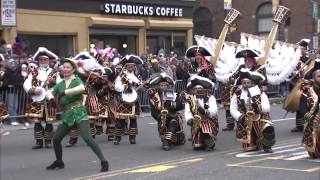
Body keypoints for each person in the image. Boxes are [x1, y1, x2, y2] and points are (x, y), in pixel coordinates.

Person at [45, 58, 109, 172]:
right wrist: (51, 99)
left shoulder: (77, 80)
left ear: (73, 69)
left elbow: (81, 88)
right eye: (64, 67)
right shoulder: (60, 84)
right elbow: (49, 91)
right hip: (67, 114)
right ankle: (59, 162)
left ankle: (104, 161)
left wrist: (64, 93)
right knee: (56, 139)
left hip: (79, 112)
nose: (65, 69)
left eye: (68, 67)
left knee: (87, 138)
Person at [24, 47, 61, 149]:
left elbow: (60, 84)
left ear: (48, 60)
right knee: (37, 121)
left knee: (49, 121)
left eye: (45, 59)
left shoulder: (55, 72)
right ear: (38, 61)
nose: (43, 61)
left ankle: (48, 141)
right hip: (37, 99)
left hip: (50, 100)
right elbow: (26, 83)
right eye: (41, 60)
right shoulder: (34, 72)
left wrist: (54, 82)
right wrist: (32, 90)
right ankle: (39, 142)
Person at [230, 68, 274, 153]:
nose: (246, 85)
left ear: (252, 83)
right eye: (244, 83)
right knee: (249, 149)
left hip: (259, 116)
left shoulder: (260, 93)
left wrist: (258, 107)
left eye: (248, 83)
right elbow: (233, 108)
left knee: (266, 126)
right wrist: (240, 117)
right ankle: (253, 143)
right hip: (245, 119)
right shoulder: (237, 94)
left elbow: (267, 107)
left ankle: (267, 145)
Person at [223, 48, 266, 131]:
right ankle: (237, 122)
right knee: (237, 103)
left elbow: (264, 81)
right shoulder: (241, 67)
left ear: (253, 60)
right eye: (245, 60)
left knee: (257, 106)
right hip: (242, 89)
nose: (246, 61)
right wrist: (232, 81)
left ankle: (259, 122)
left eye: (249, 60)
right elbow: (233, 76)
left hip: (256, 91)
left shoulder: (260, 68)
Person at [147, 73, 185, 150]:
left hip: (173, 115)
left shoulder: (174, 95)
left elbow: (180, 106)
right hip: (162, 117)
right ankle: (166, 140)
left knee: (173, 122)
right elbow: (153, 110)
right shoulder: (155, 97)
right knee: (162, 121)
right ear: (159, 86)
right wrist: (158, 116)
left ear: (168, 86)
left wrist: (172, 104)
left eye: (165, 85)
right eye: (161, 85)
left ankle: (166, 141)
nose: (163, 87)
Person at [113, 55, 143, 145]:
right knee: (120, 120)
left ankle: (132, 138)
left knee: (133, 120)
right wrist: (125, 87)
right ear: (125, 67)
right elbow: (117, 87)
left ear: (134, 67)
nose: (130, 68)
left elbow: (140, 86)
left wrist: (140, 88)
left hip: (134, 100)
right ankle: (117, 138)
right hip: (124, 100)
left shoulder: (137, 76)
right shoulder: (121, 76)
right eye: (128, 66)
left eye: (132, 66)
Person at [184, 75, 219, 151]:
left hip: (210, 121)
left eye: (200, 89)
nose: (198, 90)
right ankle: (201, 140)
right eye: (195, 89)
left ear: (204, 89)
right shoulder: (190, 99)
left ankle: (210, 143)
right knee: (197, 146)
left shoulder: (210, 97)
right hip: (196, 121)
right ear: (192, 90)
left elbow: (214, 111)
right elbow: (187, 112)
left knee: (202, 125)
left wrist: (202, 110)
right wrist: (190, 120)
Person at [290, 38, 311, 132]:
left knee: (310, 105)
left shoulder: (309, 59)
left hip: (307, 85)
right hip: (296, 85)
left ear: (306, 49)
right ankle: (299, 126)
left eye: (302, 48)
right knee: (298, 106)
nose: (301, 50)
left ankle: (312, 124)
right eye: (299, 48)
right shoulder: (293, 59)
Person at [299, 69, 320, 158]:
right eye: (319, 76)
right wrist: (311, 118)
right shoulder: (307, 92)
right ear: (314, 78)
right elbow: (302, 108)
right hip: (314, 118)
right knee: (314, 153)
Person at [96, 67, 117, 142]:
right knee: (99, 118)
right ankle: (98, 129)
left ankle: (111, 135)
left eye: (105, 76)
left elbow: (116, 92)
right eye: (102, 76)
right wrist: (104, 88)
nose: (103, 77)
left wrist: (113, 88)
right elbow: (98, 94)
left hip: (111, 104)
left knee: (111, 120)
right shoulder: (98, 84)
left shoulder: (113, 84)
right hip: (102, 103)